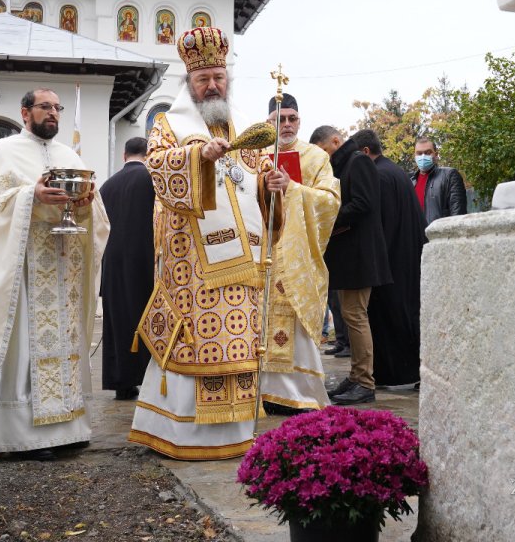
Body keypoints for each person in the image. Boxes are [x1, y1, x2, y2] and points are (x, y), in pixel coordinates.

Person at [128, 26, 285, 460]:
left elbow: (258, 186)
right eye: (203, 79)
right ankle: (186, 434)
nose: (212, 84)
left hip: (245, 263)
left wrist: (274, 185)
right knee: (197, 341)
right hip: (194, 264)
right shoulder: (169, 125)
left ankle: (236, 431)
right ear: (189, 83)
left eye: (218, 76)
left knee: (239, 341)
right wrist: (199, 157)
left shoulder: (246, 132)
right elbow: (158, 172)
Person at [0, 88, 110, 461]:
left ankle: (68, 427)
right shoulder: (2, 152)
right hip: (21, 270)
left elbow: (95, 215)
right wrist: (30, 197)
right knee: (23, 347)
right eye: (45, 107)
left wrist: (84, 204)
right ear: (25, 112)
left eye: (57, 108)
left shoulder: (69, 155)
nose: (53, 113)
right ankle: (22, 434)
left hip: (62, 268)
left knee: (64, 349)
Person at [259, 94, 340, 414]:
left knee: (294, 320)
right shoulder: (256, 156)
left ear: (300, 121)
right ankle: (262, 389)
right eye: (280, 119)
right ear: (269, 122)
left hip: (296, 254)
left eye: (292, 118)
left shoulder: (315, 157)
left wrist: (292, 189)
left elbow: (331, 201)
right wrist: (262, 184)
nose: (287, 124)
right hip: (261, 251)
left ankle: (298, 392)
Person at [310, 125, 389, 406]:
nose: (321, 158)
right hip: (350, 257)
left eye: (322, 151)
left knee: (356, 316)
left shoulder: (358, 162)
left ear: (335, 141)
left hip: (361, 255)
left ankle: (364, 382)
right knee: (351, 313)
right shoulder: (343, 164)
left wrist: (330, 216)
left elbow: (364, 204)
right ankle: (356, 376)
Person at [353, 129, 426, 387]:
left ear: (364, 152)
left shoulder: (378, 175)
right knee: (405, 315)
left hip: (390, 260)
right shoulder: (394, 171)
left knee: (389, 319)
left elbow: (376, 223)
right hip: (407, 255)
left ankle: (393, 374)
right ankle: (409, 372)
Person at [98, 137, 155, 401]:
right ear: (149, 153)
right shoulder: (152, 180)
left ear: (124, 155)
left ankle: (121, 382)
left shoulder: (106, 186)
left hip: (112, 262)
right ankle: (150, 379)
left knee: (116, 320)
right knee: (145, 317)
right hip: (144, 259)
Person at [411, 137, 467, 224]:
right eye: (419, 153)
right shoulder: (411, 182)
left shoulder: (449, 175)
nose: (423, 156)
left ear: (436, 155)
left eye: (427, 152)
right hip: (416, 237)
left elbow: (458, 214)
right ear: (415, 156)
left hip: (439, 235)